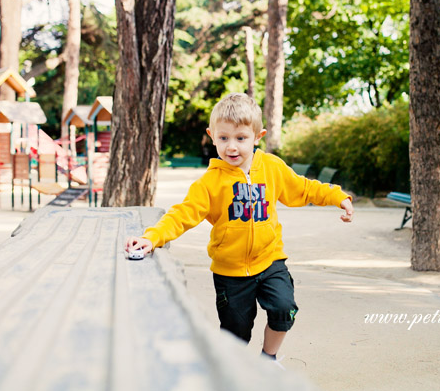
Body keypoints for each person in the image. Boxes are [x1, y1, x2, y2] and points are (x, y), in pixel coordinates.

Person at [126, 92, 354, 366]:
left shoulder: (271, 167)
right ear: (212, 136)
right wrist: (152, 238)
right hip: (230, 272)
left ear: (258, 136)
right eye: (223, 138)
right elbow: (182, 214)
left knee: (284, 310)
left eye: (241, 138)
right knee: (236, 332)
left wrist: (337, 196)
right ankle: (232, 373)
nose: (231, 147)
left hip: (270, 261)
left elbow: (304, 188)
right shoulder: (210, 183)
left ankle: (268, 360)